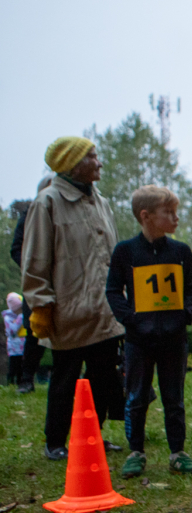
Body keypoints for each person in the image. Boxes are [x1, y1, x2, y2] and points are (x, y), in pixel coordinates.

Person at [22, 137, 126, 460]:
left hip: (104, 311)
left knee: (102, 378)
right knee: (65, 379)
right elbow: (35, 258)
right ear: (73, 163)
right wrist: (40, 303)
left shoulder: (101, 202)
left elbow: (113, 253)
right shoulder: (47, 202)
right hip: (68, 309)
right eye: (92, 157)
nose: (99, 163)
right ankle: (55, 441)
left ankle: (92, 436)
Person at [105, 186, 192, 477]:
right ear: (146, 216)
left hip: (174, 339)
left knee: (175, 397)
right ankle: (136, 451)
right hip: (138, 341)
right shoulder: (125, 251)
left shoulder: (181, 251)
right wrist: (130, 320)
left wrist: (185, 314)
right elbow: (113, 290)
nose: (176, 218)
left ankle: (178, 452)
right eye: (168, 213)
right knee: (135, 397)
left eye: (176, 212)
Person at [10, 177, 52, 393]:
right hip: (36, 283)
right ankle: (26, 380)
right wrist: (33, 271)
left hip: (66, 282)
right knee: (34, 331)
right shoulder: (29, 216)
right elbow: (16, 249)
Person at [5, 293, 24, 385]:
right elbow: (12, 331)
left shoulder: (23, 314)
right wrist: (20, 319)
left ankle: (20, 383)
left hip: (23, 345)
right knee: (13, 365)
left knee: (22, 365)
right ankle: (10, 383)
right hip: (13, 346)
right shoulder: (8, 316)